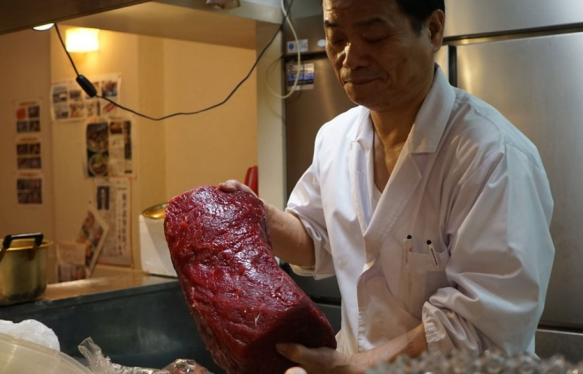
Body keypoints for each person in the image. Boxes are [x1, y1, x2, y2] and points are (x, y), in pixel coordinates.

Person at [220, 0, 555, 372]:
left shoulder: (492, 155)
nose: (351, 58)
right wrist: (256, 216)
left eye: (374, 37)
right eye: (337, 39)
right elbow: (317, 236)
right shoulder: (334, 138)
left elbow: (483, 322)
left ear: (432, 31)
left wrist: (354, 366)